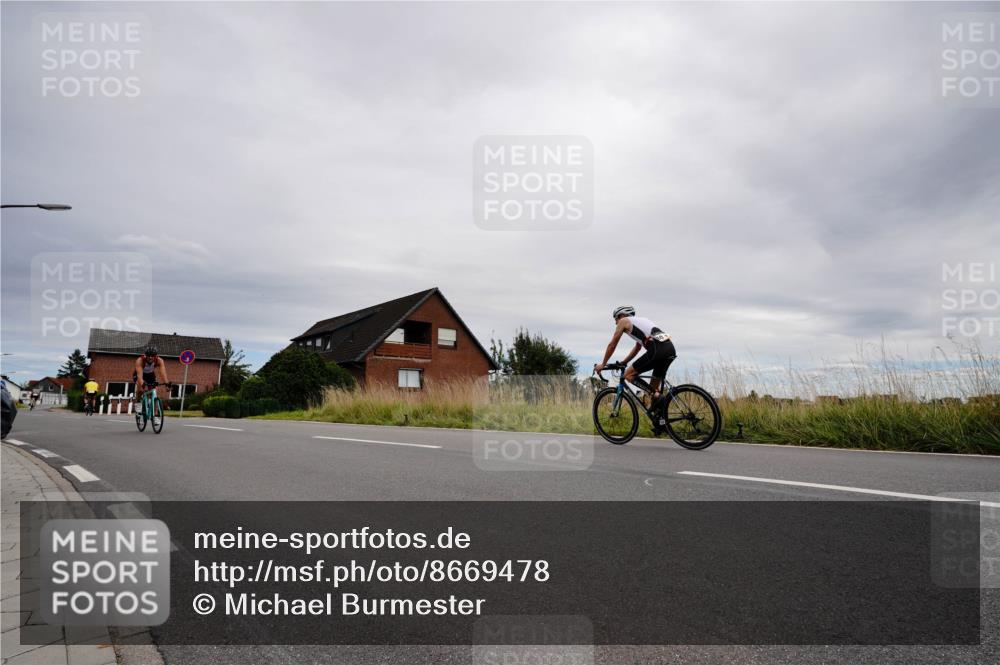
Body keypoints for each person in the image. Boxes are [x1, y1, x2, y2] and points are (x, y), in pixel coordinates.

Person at [594, 305, 677, 419]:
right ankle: (661, 421)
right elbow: (637, 348)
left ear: (622, 315)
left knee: (628, 375)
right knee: (654, 388)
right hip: (669, 349)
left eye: (616, 319)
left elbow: (612, 345)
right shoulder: (642, 321)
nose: (616, 323)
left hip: (657, 350)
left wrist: (603, 364)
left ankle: (657, 396)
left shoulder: (623, 321)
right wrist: (624, 362)